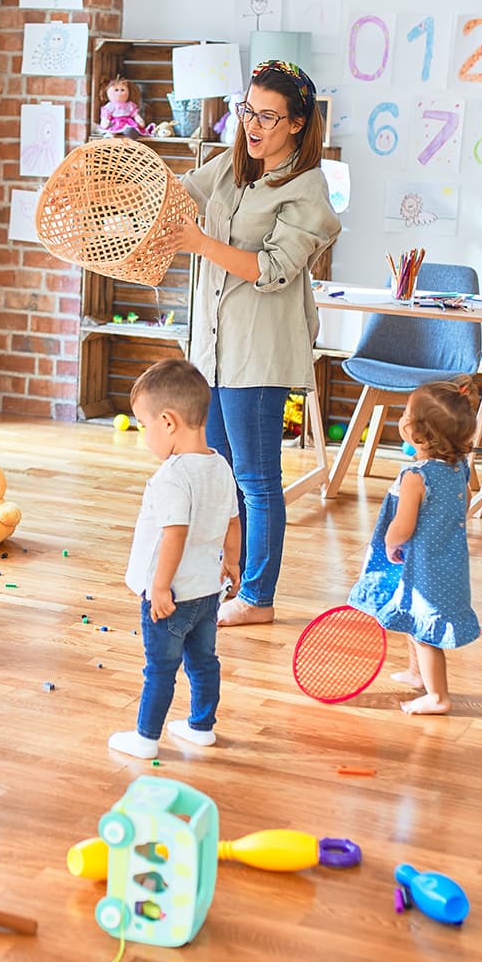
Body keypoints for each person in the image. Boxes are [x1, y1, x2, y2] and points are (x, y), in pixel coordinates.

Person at [169, 58, 342, 627]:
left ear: (297, 123)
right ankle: (235, 578)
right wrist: (130, 184)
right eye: (248, 111)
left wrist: (199, 242)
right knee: (222, 475)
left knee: (258, 480)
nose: (253, 125)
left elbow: (273, 270)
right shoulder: (230, 167)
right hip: (213, 352)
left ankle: (259, 598)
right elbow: (179, 195)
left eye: (269, 116)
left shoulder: (307, 187)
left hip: (257, 353)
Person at [109, 359, 242, 760]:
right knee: (204, 662)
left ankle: (145, 738)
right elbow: (233, 522)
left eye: (143, 425)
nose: (143, 435)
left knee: (160, 669)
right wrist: (232, 563)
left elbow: (174, 534)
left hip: (172, 595)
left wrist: (161, 586)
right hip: (206, 592)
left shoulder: (172, 475)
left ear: (167, 422)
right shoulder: (220, 465)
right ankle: (201, 726)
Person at [347, 380, 481, 715]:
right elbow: (464, 503)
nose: (402, 417)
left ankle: (438, 696)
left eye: (406, 413)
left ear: (419, 434)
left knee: (425, 633)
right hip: (448, 559)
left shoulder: (416, 477)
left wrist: (390, 542)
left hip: (424, 565)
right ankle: (416, 673)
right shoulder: (458, 467)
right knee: (413, 615)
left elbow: (403, 526)